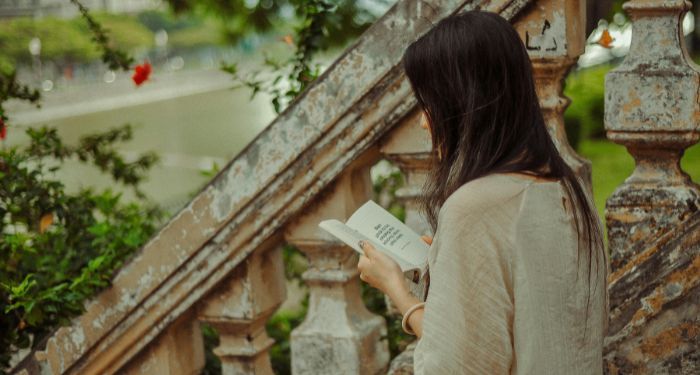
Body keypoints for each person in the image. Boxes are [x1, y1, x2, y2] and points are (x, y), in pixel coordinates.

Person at [356, 10, 609, 374]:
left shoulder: (474, 208)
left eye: (428, 102)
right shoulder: (569, 187)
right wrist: (445, 263)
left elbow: (458, 366)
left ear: (461, 103)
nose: (424, 120)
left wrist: (398, 291)